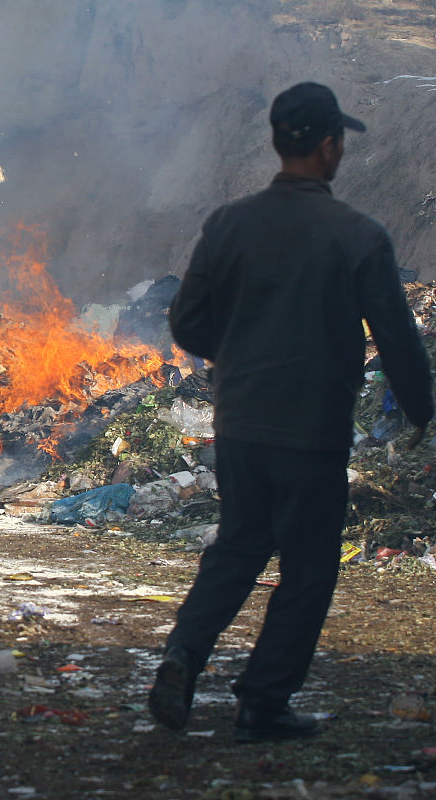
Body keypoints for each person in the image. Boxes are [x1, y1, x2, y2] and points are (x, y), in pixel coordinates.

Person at [148, 81, 434, 743]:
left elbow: (188, 324)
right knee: (308, 565)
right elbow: (396, 333)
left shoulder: (229, 225)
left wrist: (243, 359)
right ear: (330, 147)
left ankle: (183, 656)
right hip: (313, 429)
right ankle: (263, 699)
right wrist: (420, 407)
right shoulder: (358, 236)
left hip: (241, 422)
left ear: (279, 142)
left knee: (241, 544)